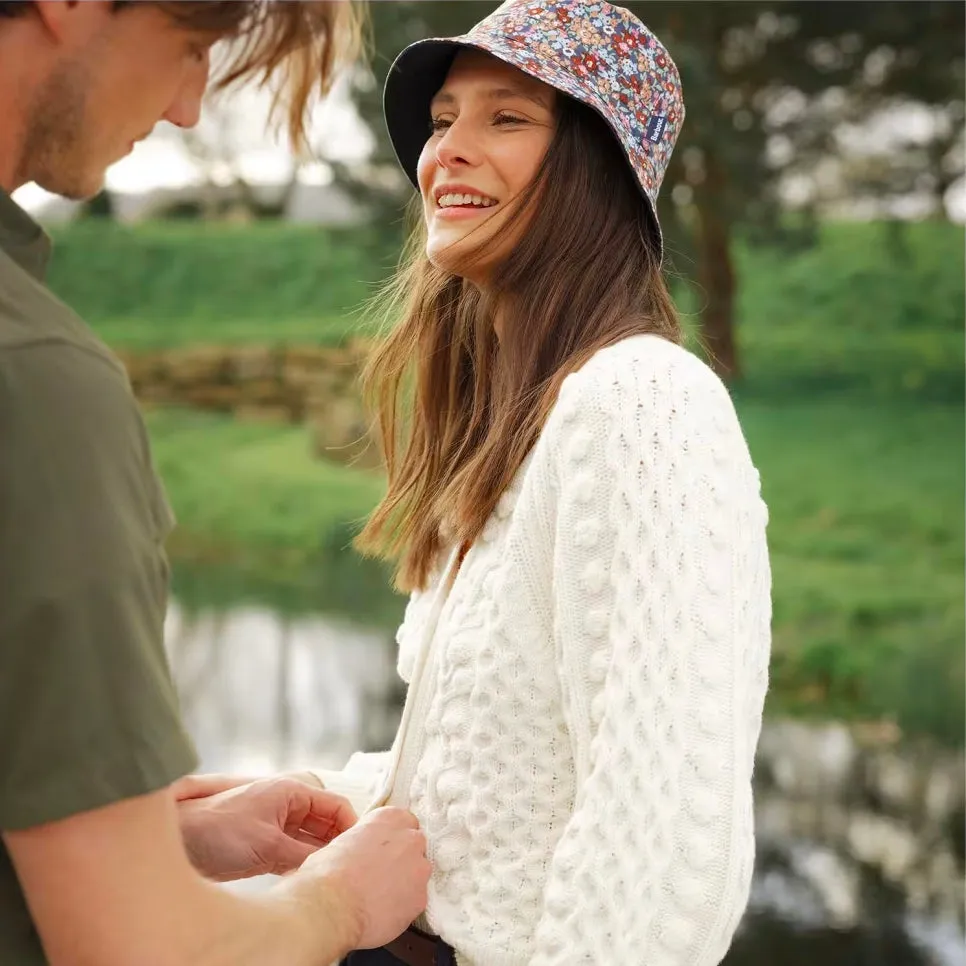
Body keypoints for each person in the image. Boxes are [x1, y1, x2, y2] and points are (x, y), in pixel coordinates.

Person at [314, 1, 773, 964]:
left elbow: (665, 842)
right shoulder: (516, 421)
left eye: (507, 118)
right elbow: (482, 767)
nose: (448, 153)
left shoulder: (644, 402)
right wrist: (312, 809)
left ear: (597, 169)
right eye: (443, 121)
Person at [0, 3, 431, 965]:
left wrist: (162, 838)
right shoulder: (34, 378)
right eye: (190, 47)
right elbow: (142, 952)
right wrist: (339, 907)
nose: (190, 107)